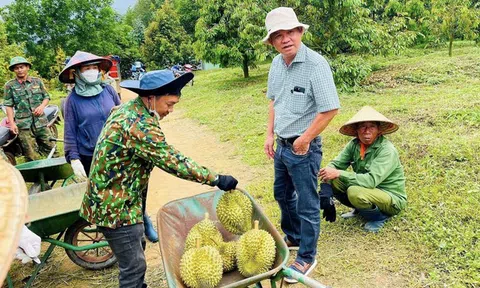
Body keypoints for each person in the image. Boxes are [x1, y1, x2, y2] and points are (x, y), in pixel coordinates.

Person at [79, 70, 238, 287]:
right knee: (133, 267)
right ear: (151, 98)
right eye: (169, 104)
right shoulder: (138, 125)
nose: (171, 111)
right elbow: (173, 160)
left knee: (136, 253)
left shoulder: (130, 109)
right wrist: (217, 178)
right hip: (114, 207)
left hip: (120, 198)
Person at [262, 7, 340, 282]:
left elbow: (330, 109)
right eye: (278, 35)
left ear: (301, 32)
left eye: (291, 32)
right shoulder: (276, 64)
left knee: (307, 203)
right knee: (282, 194)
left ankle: (307, 256)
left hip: (303, 148)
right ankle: (294, 236)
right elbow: (274, 101)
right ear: (272, 41)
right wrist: (269, 134)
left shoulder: (316, 65)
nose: (286, 39)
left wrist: (304, 139)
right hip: (281, 145)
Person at [59, 51, 159, 243]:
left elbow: (123, 115)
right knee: (111, 197)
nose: (91, 71)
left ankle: (143, 220)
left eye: (94, 68)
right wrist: (73, 157)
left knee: (133, 189)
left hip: (119, 151)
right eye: (86, 68)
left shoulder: (108, 90)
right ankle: (123, 234)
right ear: (78, 73)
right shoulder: (72, 101)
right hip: (92, 156)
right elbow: (69, 131)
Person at [319, 106, 407, 233]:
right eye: (362, 127)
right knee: (334, 179)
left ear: (379, 131)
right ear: (357, 130)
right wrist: (326, 187)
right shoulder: (354, 145)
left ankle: (379, 217)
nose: (367, 131)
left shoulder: (387, 150)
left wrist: (338, 173)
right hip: (367, 189)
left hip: (390, 197)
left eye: (372, 126)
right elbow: (335, 165)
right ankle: (360, 209)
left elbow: (370, 181)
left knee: (355, 192)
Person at [3, 56, 56, 161]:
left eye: (21, 67)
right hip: (23, 125)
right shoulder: (9, 85)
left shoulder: (37, 82)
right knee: (30, 155)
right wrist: (12, 124)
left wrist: (41, 107)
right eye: (16, 68)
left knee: (51, 148)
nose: (19, 70)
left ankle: (57, 172)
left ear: (27, 67)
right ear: (14, 70)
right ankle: (36, 176)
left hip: (40, 122)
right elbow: (8, 105)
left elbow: (46, 97)